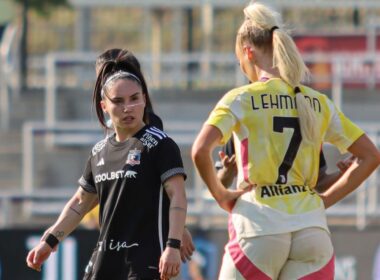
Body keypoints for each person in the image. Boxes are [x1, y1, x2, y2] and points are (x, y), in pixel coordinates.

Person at [191, 2, 380, 279]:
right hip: (312, 233)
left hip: (258, 229)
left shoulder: (241, 99)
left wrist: (222, 196)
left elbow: (199, 151)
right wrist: (325, 200)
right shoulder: (318, 102)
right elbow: (371, 155)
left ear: (248, 52)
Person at [27, 52, 188, 280]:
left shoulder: (160, 144)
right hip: (104, 261)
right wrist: (50, 239)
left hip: (145, 262)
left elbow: (177, 196)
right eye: (118, 102)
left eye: (134, 99)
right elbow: (81, 202)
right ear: (104, 106)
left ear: (144, 98)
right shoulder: (98, 152)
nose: (128, 107)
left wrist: (173, 244)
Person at [80, 48, 195, 262]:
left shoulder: (148, 126)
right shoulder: (111, 129)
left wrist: (179, 230)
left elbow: (158, 179)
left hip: (146, 241)